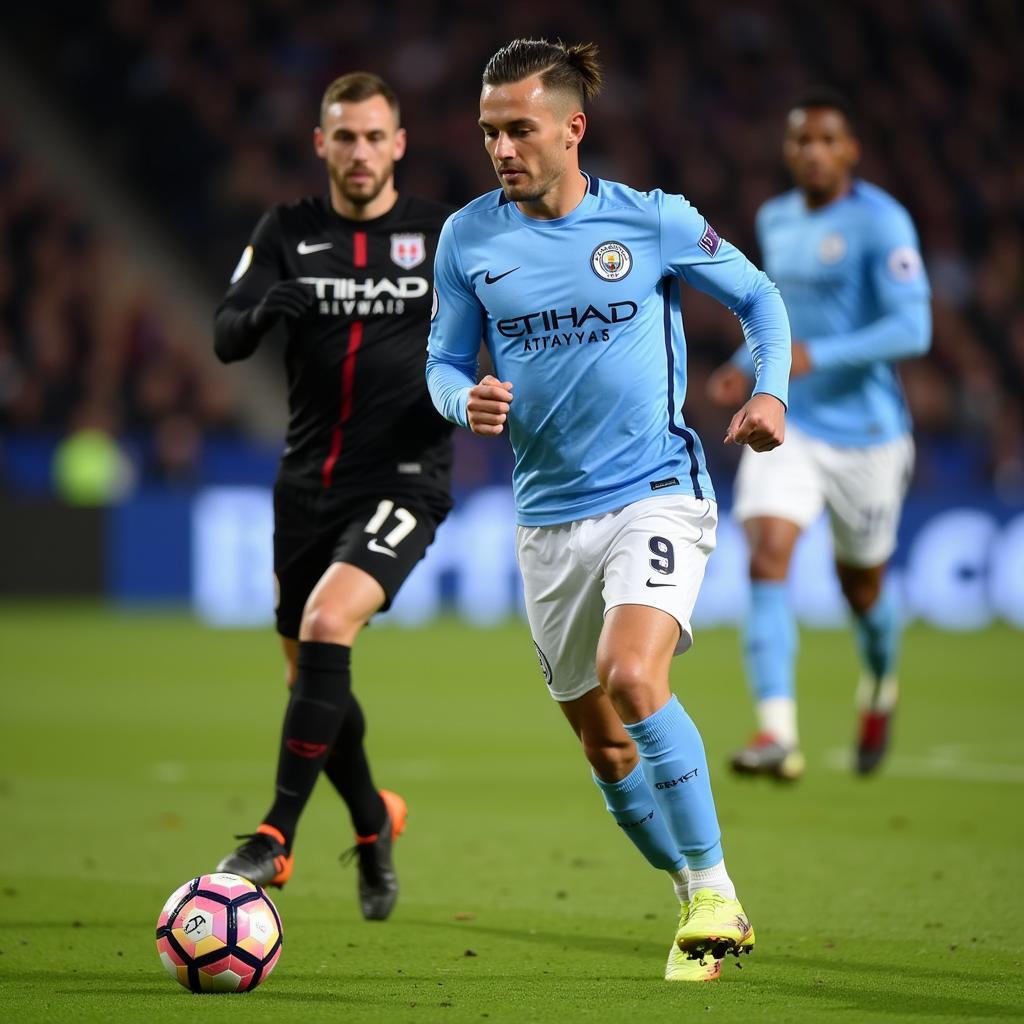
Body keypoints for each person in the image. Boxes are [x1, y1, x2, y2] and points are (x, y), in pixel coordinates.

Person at [426, 39, 791, 982]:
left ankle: (716, 892)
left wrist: (770, 392)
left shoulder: (653, 221)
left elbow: (760, 300)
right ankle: (687, 889)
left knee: (631, 675)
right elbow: (441, 361)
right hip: (547, 523)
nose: (501, 148)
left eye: (519, 129)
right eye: (488, 131)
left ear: (572, 128)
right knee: (601, 743)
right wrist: (460, 400)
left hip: (656, 493)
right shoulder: (469, 238)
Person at [212, 72, 454, 920]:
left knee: (325, 625)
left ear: (399, 144)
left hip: (404, 481)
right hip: (305, 485)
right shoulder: (288, 231)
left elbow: (501, 325)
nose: (359, 152)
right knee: (310, 677)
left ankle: (273, 839)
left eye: (373, 136)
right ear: (321, 144)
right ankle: (371, 817)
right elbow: (227, 336)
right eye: (343, 137)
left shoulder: (440, 235)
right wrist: (263, 307)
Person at [708, 89, 931, 781]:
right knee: (767, 554)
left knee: (860, 587)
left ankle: (879, 684)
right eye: (801, 141)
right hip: (791, 424)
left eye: (826, 140)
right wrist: (744, 365)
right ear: (788, 151)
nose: (813, 152)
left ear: (850, 151)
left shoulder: (881, 221)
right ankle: (778, 733)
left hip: (867, 433)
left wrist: (819, 356)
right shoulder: (775, 219)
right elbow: (778, 313)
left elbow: (913, 329)